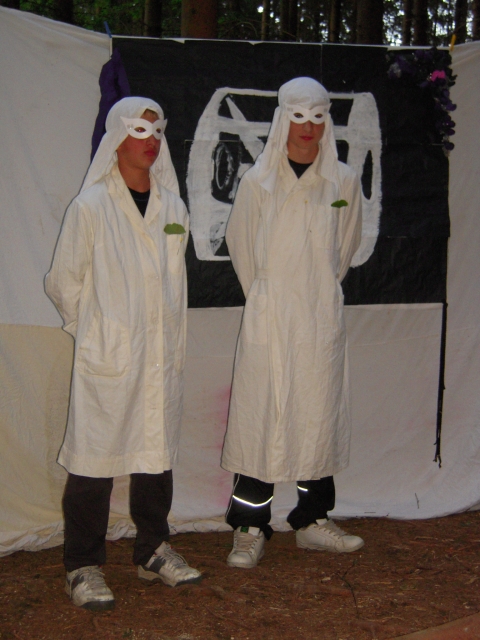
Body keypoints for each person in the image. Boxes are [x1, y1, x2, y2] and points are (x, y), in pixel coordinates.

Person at [45, 97, 201, 610]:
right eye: (139, 130)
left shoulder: (173, 209)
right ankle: (82, 564)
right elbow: (63, 282)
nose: (150, 140)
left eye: (157, 131)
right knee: (94, 459)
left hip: (159, 352)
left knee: (156, 454)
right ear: (117, 138)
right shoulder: (90, 207)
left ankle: (153, 549)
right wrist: (95, 332)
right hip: (110, 355)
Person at [221, 77, 364, 568]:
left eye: (317, 117)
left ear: (328, 122)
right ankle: (249, 525)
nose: (308, 127)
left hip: (318, 315)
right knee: (259, 417)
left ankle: (312, 519)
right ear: (284, 119)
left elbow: (345, 247)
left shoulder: (343, 182)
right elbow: (241, 246)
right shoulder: (258, 182)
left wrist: (316, 292)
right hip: (270, 312)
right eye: (299, 117)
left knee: (316, 416)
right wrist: (269, 296)